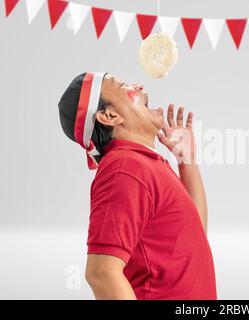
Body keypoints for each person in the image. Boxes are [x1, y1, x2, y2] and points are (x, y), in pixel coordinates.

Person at [58, 72, 217, 299]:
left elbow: (195, 237)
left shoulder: (144, 164)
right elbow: (101, 273)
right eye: (123, 86)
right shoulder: (125, 168)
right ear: (110, 116)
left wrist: (187, 162)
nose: (139, 86)